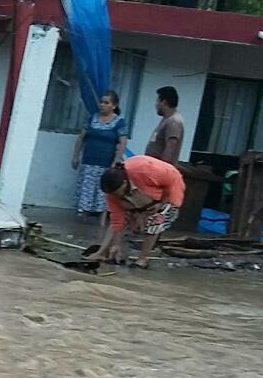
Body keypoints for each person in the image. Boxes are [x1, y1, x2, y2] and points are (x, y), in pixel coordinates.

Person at [91, 156, 186, 269]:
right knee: (122, 218)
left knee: (155, 221)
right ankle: (103, 252)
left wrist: (161, 203)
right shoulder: (112, 193)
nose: (117, 196)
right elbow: (117, 221)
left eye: (118, 193)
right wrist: (116, 244)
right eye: (114, 195)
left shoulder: (145, 170)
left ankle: (143, 259)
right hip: (142, 194)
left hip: (170, 186)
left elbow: (171, 179)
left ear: (124, 183)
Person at [71, 90, 128, 220]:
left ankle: (101, 220)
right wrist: (75, 156)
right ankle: (82, 219)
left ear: (114, 106)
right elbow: (81, 138)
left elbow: (123, 142)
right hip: (88, 163)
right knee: (86, 191)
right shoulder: (93, 118)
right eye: (101, 102)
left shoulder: (119, 122)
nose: (102, 105)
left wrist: (116, 161)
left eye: (106, 103)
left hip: (106, 165)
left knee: (103, 193)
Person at [145, 86, 185, 163]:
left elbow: (171, 147)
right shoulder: (166, 119)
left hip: (159, 170)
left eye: (157, 101)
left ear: (164, 102)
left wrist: (162, 168)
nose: (156, 105)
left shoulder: (174, 121)